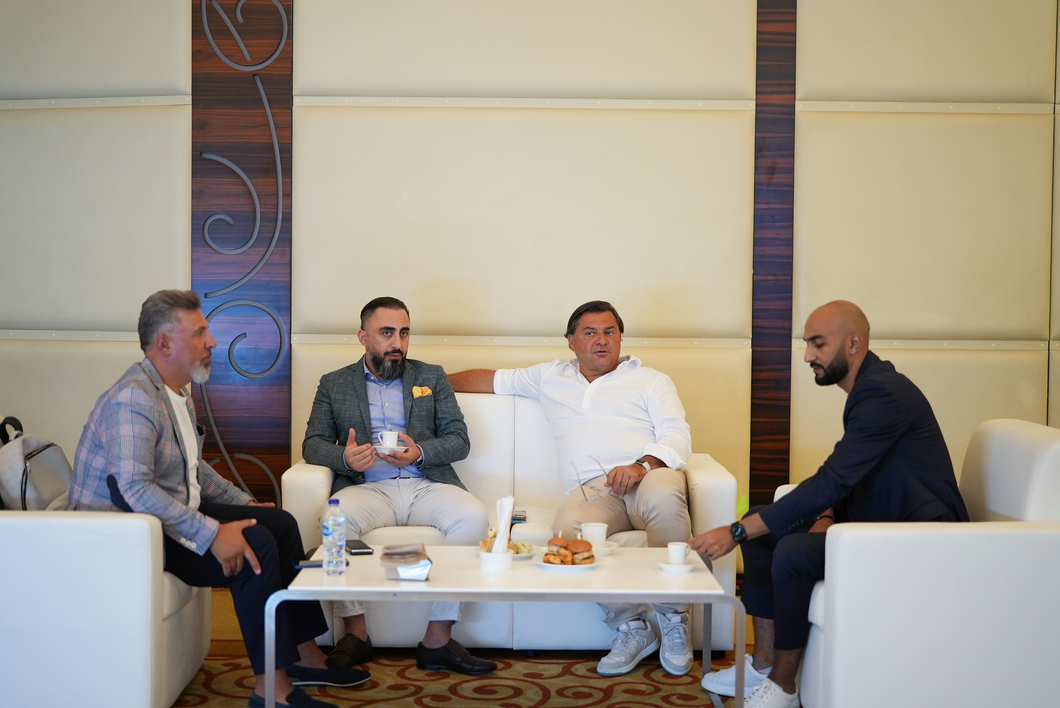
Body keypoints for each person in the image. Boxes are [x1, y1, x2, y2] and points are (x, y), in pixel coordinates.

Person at [67, 290, 368, 708]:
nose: (212, 342)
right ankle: (272, 690)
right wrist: (211, 533)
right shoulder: (134, 398)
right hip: (126, 537)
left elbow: (195, 469)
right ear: (164, 344)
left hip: (163, 516)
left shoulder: (176, 391)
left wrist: (245, 504)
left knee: (278, 524)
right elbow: (132, 490)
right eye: (199, 333)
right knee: (254, 544)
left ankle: (305, 655)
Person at [693, 300, 969, 708]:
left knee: (791, 551)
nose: (808, 356)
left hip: (918, 538)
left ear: (853, 343)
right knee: (761, 525)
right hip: (876, 526)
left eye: (818, 344)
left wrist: (735, 532)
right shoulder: (870, 387)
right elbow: (852, 472)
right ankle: (765, 663)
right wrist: (824, 513)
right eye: (807, 344)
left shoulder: (881, 393)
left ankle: (784, 686)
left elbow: (835, 477)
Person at [448, 300, 695, 677]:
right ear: (571, 341)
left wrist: (641, 465)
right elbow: (490, 380)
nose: (602, 340)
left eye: (610, 331)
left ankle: (675, 618)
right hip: (595, 491)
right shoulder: (550, 376)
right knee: (566, 532)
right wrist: (429, 383)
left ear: (620, 337)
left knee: (664, 495)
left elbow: (677, 435)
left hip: (648, 473)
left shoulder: (651, 380)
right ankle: (631, 626)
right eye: (590, 332)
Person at [301, 297, 495, 675]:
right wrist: (345, 458)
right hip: (369, 487)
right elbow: (313, 444)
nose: (397, 343)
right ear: (364, 337)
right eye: (387, 333)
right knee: (335, 519)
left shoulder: (431, 376)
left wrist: (419, 452)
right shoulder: (334, 383)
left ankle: (437, 638)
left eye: (403, 333)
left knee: (473, 516)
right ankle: (355, 633)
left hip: (425, 483)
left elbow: (459, 440)